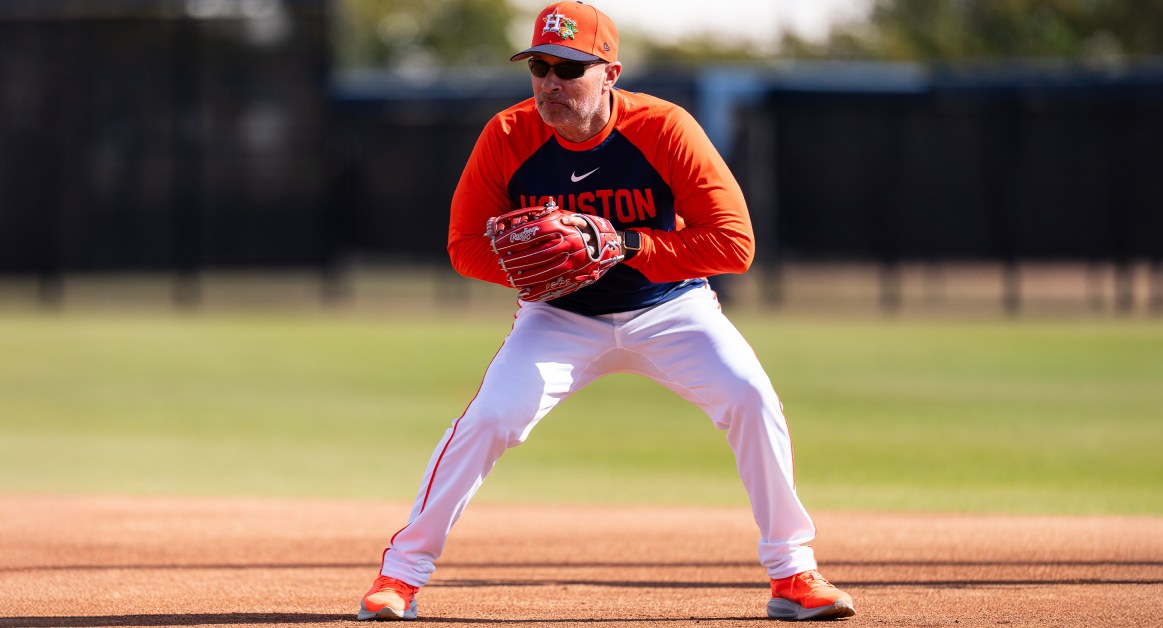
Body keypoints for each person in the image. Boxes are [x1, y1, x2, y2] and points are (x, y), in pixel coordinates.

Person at [357, 1, 855, 622]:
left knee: (750, 396)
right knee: (490, 419)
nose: (550, 84)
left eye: (568, 68)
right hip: (558, 317)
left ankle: (792, 574)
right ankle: (399, 577)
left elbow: (735, 243)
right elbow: (464, 248)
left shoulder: (664, 128)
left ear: (610, 74)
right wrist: (530, 267)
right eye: (539, 67)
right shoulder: (508, 135)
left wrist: (622, 244)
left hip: (669, 308)